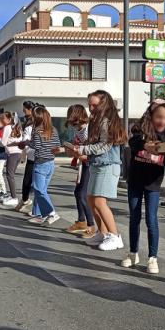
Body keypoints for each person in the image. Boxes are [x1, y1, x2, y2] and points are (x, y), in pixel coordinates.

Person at [122, 100, 165, 274]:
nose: (162, 121)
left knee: (151, 220)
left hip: (153, 184)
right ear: (152, 116)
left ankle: (152, 257)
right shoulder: (140, 131)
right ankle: (133, 253)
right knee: (134, 218)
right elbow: (133, 144)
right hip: (135, 181)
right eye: (159, 117)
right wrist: (145, 145)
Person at [67, 90, 127, 251]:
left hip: (107, 165)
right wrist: (81, 149)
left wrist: (83, 149)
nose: (91, 108)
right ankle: (103, 232)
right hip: (98, 164)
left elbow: (104, 145)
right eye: (90, 105)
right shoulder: (98, 120)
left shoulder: (107, 121)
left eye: (94, 105)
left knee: (99, 202)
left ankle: (114, 236)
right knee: (91, 200)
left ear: (104, 104)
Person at [25, 106, 62, 225]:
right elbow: (57, 145)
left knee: (39, 189)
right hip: (50, 162)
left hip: (40, 162)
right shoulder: (53, 129)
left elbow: (37, 146)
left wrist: (26, 142)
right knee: (41, 190)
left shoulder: (37, 130)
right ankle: (38, 214)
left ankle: (51, 212)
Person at [63, 104, 95, 237]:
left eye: (73, 120)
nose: (73, 125)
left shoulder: (89, 129)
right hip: (84, 162)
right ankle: (81, 221)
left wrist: (77, 153)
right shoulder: (78, 129)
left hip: (90, 163)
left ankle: (91, 225)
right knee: (77, 192)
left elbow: (92, 150)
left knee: (82, 194)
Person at [17, 101, 36, 213]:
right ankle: (25, 199)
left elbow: (25, 142)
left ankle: (37, 210)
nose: (23, 111)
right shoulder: (27, 123)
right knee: (28, 182)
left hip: (38, 157)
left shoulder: (32, 125)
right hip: (31, 156)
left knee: (36, 185)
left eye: (25, 109)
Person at [1, 113, 23, 208]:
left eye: (4, 119)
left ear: (10, 119)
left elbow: (3, 142)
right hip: (18, 153)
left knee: (9, 175)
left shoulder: (7, 128)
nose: (2, 120)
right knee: (11, 175)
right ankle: (12, 196)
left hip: (12, 154)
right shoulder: (19, 128)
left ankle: (14, 197)